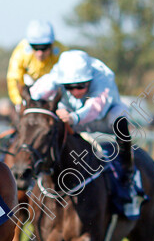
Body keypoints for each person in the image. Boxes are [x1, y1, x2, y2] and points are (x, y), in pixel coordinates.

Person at [30, 49, 135, 190]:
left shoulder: (103, 76)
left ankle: (127, 169)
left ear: (89, 79)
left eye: (80, 86)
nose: (75, 92)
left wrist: (74, 117)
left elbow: (96, 107)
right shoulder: (58, 73)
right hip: (73, 120)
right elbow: (37, 92)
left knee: (119, 116)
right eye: (69, 87)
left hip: (103, 119)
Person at [7, 20, 67, 108]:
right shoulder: (21, 51)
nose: (40, 53)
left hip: (52, 84)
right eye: (35, 47)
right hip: (30, 83)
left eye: (44, 48)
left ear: (52, 45)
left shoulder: (61, 51)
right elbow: (14, 79)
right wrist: (18, 102)